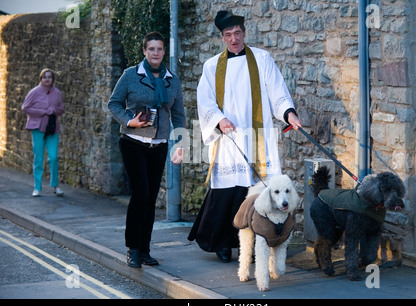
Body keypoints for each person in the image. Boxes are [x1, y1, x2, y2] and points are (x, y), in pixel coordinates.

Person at [188, 11, 303, 262]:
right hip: (228, 137)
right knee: (227, 190)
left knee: (254, 192)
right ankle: (222, 243)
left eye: (237, 33)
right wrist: (219, 119)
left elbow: (277, 92)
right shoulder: (211, 66)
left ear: (244, 32)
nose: (233, 39)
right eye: (228, 35)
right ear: (222, 37)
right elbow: (205, 102)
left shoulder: (262, 59)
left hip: (257, 136)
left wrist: (288, 113)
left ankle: (254, 244)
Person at [108, 31, 186, 268]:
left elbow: (179, 115)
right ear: (144, 51)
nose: (155, 53)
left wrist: (180, 145)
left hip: (159, 146)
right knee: (140, 193)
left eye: (159, 49)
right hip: (132, 142)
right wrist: (129, 121)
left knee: (150, 198)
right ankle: (133, 248)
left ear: (164, 52)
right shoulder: (131, 75)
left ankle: (144, 249)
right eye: (151, 49)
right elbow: (113, 103)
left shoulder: (172, 80)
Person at [22, 68, 65, 197]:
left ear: (53, 79)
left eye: (50, 77)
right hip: (38, 128)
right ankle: (37, 187)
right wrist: (42, 111)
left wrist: (54, 110)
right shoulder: (34, 92)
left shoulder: (57, 93)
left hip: (52, 129)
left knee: (53, 157)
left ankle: (55, 186)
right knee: (38, 158)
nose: (47, 79)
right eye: (44, 77)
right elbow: (25, 107)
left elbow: (61, 109)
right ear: (40, 79)